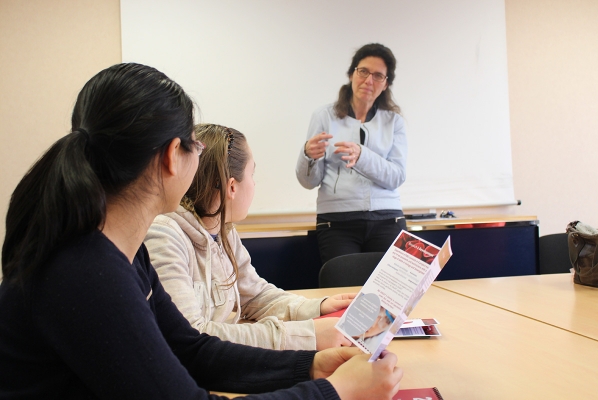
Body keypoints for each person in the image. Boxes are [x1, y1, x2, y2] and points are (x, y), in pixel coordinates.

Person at [0, 63, 403, 399]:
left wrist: (310, 366)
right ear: (171, 157)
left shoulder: (123, 253)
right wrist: (336, 392)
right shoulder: (89, 274)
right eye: (194, 143)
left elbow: (191, 350)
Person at [145, 124, 355, 351]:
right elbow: (191, 336)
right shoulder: (164, 236)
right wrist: (307, 335)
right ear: (232, 187)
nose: (254, 184)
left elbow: (255, 296)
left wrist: (317, 308)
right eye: (251, 174)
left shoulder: (223, 230)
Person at [296, 43, 408, 265]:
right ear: (351, 74)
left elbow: (397, 177)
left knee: (392, 285)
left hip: (388, 217)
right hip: (337, 221)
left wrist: (362, 156)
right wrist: (308, 156)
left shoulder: (394, 121)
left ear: (386, 84)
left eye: (378, 76)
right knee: (343, 283)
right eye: (363, 71)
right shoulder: (324, 116)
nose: (369, 81)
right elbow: (308, 182)